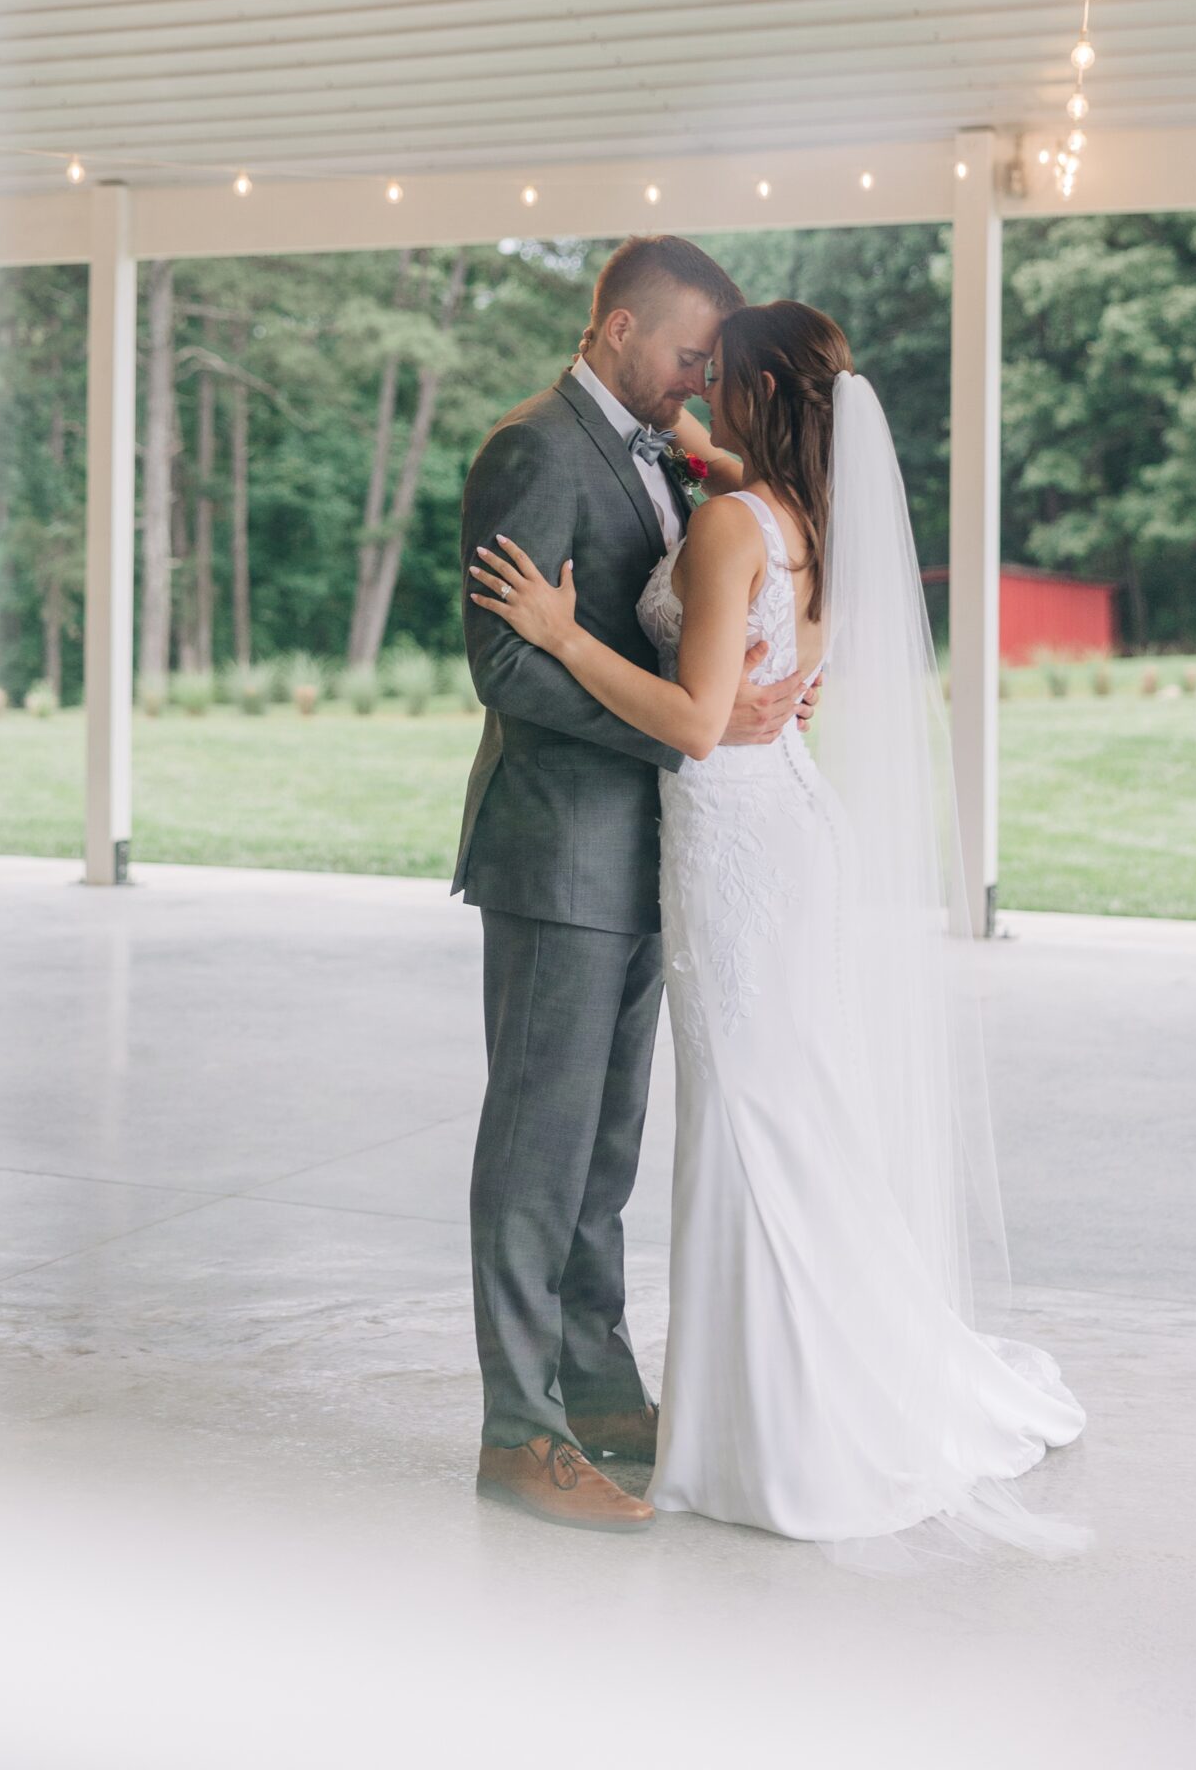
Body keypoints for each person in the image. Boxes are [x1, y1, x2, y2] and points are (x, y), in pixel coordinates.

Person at [471, 297, 1086, 1560]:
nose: (696, 385)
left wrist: (562, 630)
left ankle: (771, 1420)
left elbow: (698, 723)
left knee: (747, 1125)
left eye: (717, 372)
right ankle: (743, 1397)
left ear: (751, 391)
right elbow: (736, 635)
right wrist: (709, 449)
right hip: (774, 837)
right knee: (786, 1120)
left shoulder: (730, 523)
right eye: (685, 360)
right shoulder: (809, 514)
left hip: (732, 841)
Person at [454, 236, 816, 1534]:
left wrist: (738, 700)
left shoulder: (664, 455)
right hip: (554, 858)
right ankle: (516, 1433)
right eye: (681, 358)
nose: (693, 383)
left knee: (602, 1159)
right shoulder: (533, 448)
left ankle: (601, 1404)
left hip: (650, 857)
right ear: (615, 334)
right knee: (535, 1156)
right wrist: (686, 726)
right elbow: (505, 671)